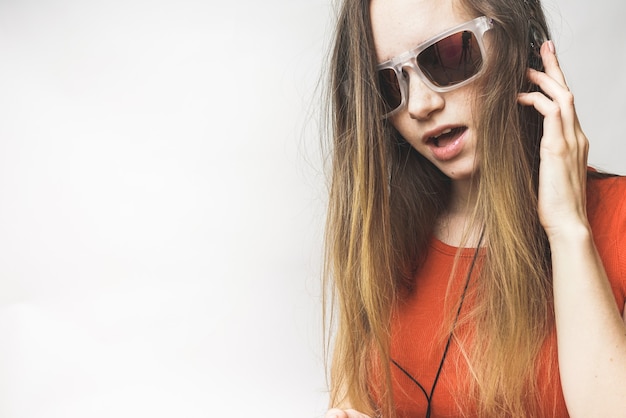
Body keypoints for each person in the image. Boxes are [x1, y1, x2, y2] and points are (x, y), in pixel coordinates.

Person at [321, 0, 626, 416]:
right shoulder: (385, 243)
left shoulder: (618, 221)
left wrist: (568, 229)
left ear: (522, 43)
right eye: (388, 84)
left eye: (446, 56)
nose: (419, 105)